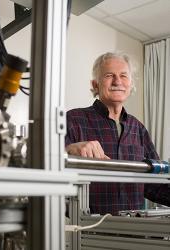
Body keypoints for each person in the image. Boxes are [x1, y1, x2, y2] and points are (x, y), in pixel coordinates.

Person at [65, 51, 170, 215]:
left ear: (130, 85)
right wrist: (69, 150)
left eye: (123, 75)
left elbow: (153, 184)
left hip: (136, 233)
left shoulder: (139, 128)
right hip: (89, 232)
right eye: (109, 75)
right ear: (95, 85)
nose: (117, 81)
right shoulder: (73, 119)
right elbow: (47, 165)